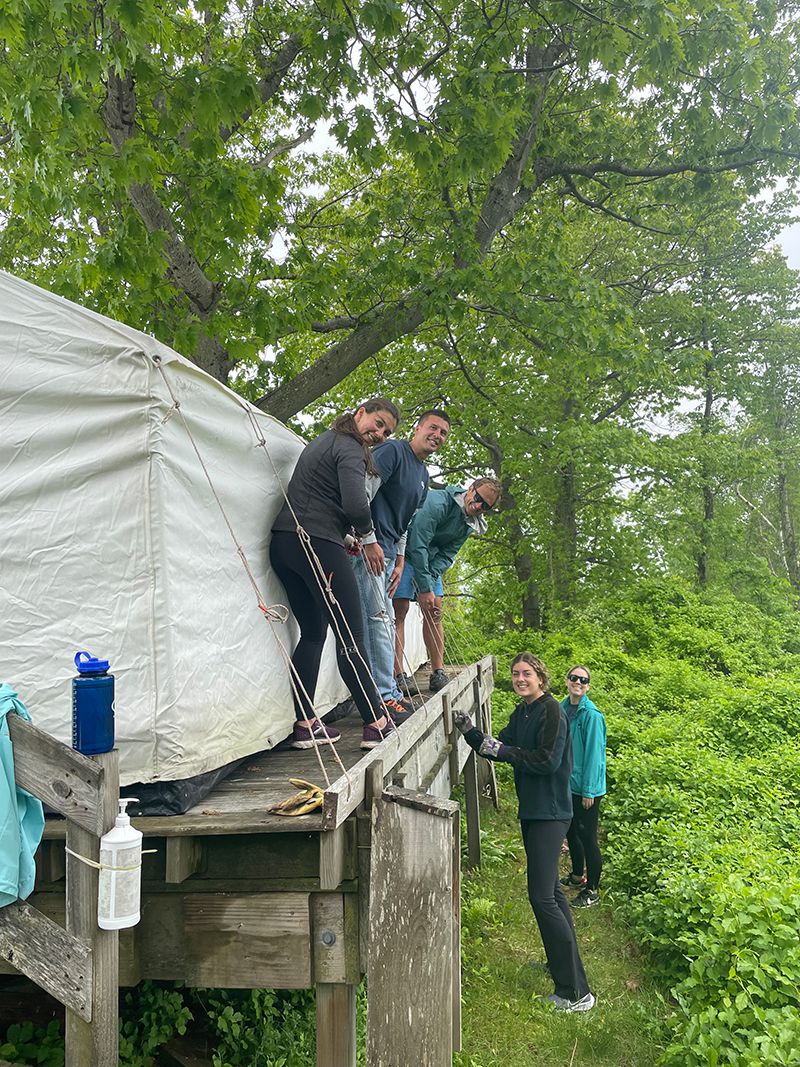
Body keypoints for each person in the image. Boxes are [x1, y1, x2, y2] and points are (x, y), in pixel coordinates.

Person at [455, 652, 595, 1013]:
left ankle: (575, 992)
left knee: (542, 897)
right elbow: (498, 748)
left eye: (527, 674)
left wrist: (510, 752)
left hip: (551, 813)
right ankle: (561, 967)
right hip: (532, 812)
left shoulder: (552, 712)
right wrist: (469, 732)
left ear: (541, 678)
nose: (520, 679)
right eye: (516, 674)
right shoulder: (523, 713)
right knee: (551, 893)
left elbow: (547, 759)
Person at [270, 398, 402, 750]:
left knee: (313, 632)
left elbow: (319, 497)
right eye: (377, 423)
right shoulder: (351, 447)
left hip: (284, 542)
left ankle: (306, 724)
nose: (379, 434)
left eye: (386, 432)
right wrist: (370, 539)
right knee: (351, 637)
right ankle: (376, 723)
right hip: (316, 544)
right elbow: (356, 504)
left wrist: (346, 536)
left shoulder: (322, 441)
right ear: (360, 413)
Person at [351, 410, 451, 720]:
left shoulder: (423, 476)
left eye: (444, 433)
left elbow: (406, 522)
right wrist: (365, 539)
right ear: (418, 427)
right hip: (368, 548)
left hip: (390, 554)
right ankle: (385, 696)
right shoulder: (394, 451)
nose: (437, 435)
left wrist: (400, 559)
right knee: (379, 620)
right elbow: (363, 491)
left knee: (380, 619)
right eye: (433, 427)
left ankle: (382, 694)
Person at [393, 478, 502, 693]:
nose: (479, 506)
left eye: (485, 506)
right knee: (400, 610)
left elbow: (448, 554)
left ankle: (438, 672)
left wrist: (429, 581)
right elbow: (418, 542)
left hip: (430, 562)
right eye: (478, 498)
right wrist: (424, 587)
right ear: (470, 489)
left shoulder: (469, 524)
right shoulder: (439, 502)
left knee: (434, 610)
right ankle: (398, 675)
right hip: (405, 553)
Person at [560, 666, 606, 908]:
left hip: (587, 787)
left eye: (583, 680)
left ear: (588, 686)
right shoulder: (562, 708)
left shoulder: (592, 715)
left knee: (588, 836)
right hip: (567, 783)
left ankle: (593, 890)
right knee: (571, 830)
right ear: (567, 681)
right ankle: (578, 876)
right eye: (574, 678)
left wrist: (589, 790)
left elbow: (595, 756)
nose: (578, 682)